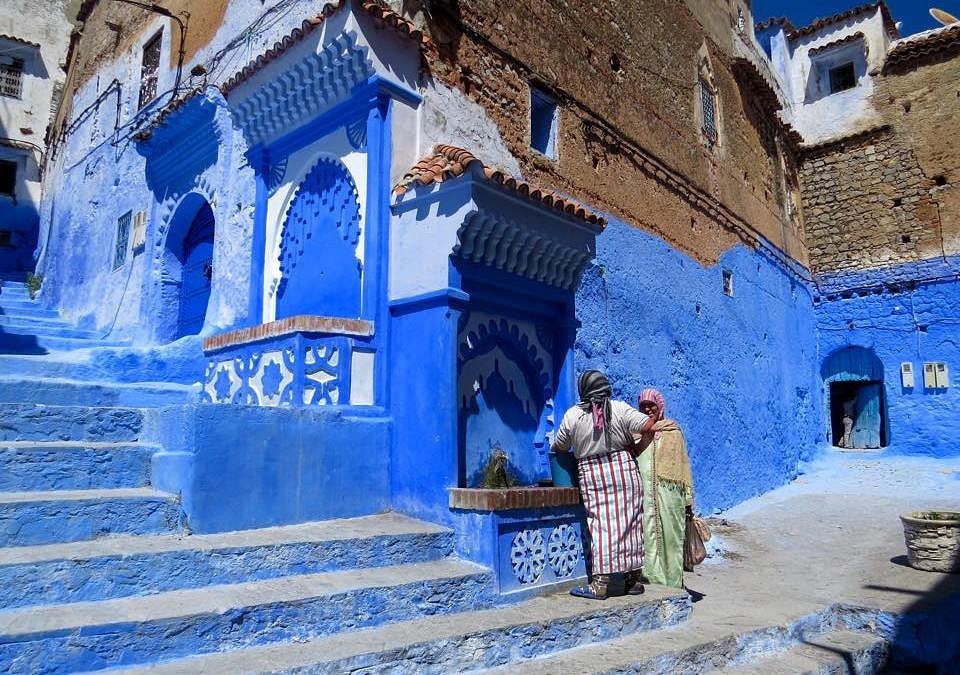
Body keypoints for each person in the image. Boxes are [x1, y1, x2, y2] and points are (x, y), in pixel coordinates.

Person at [551, 370, 655, 599]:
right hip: (625, 470)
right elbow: (649, 426)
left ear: (583, 390)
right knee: (631, 523)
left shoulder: (573, 415)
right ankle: (633, 581)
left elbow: (560, 446)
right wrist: (638, 449)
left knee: (602, 526)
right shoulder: (620, 408)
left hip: (593, 474)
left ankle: (600, 584)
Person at [633, 388, 695, 589]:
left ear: (660, 406)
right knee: (646, 537)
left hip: (670, 499)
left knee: (671, 539)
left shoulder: (673, 431)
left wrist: (688, 499)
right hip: (645, 497)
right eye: (643, 406)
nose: (647, 409)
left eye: (651, 405)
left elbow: (683, 465)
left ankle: (673, 584)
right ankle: (653, 581)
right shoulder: (636, 433)